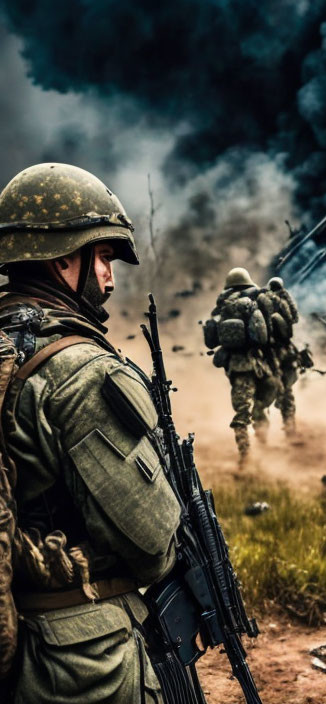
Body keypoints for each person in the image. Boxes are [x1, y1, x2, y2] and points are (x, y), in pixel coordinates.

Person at [0, 162, 180, 702]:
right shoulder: (78, 372)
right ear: (63, 259)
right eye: (102, 257)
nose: (109, 276)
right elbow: (151, 547)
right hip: (78, 662)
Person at [210, 267, 279, 466]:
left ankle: (245, 455)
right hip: (258, 362)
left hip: (236, 366)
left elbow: (212, 339)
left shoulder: (222, 307)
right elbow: (265, 334)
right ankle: (259, 446)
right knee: (260, 404)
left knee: (242, 412)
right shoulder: (254, 302)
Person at [265, 277, 303, 437]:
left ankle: (261, 432)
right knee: (287, 390)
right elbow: (294, 318)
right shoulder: (284, 300)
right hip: (284, 350)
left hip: (266, 350)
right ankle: (289, 427)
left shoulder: (262, 300)